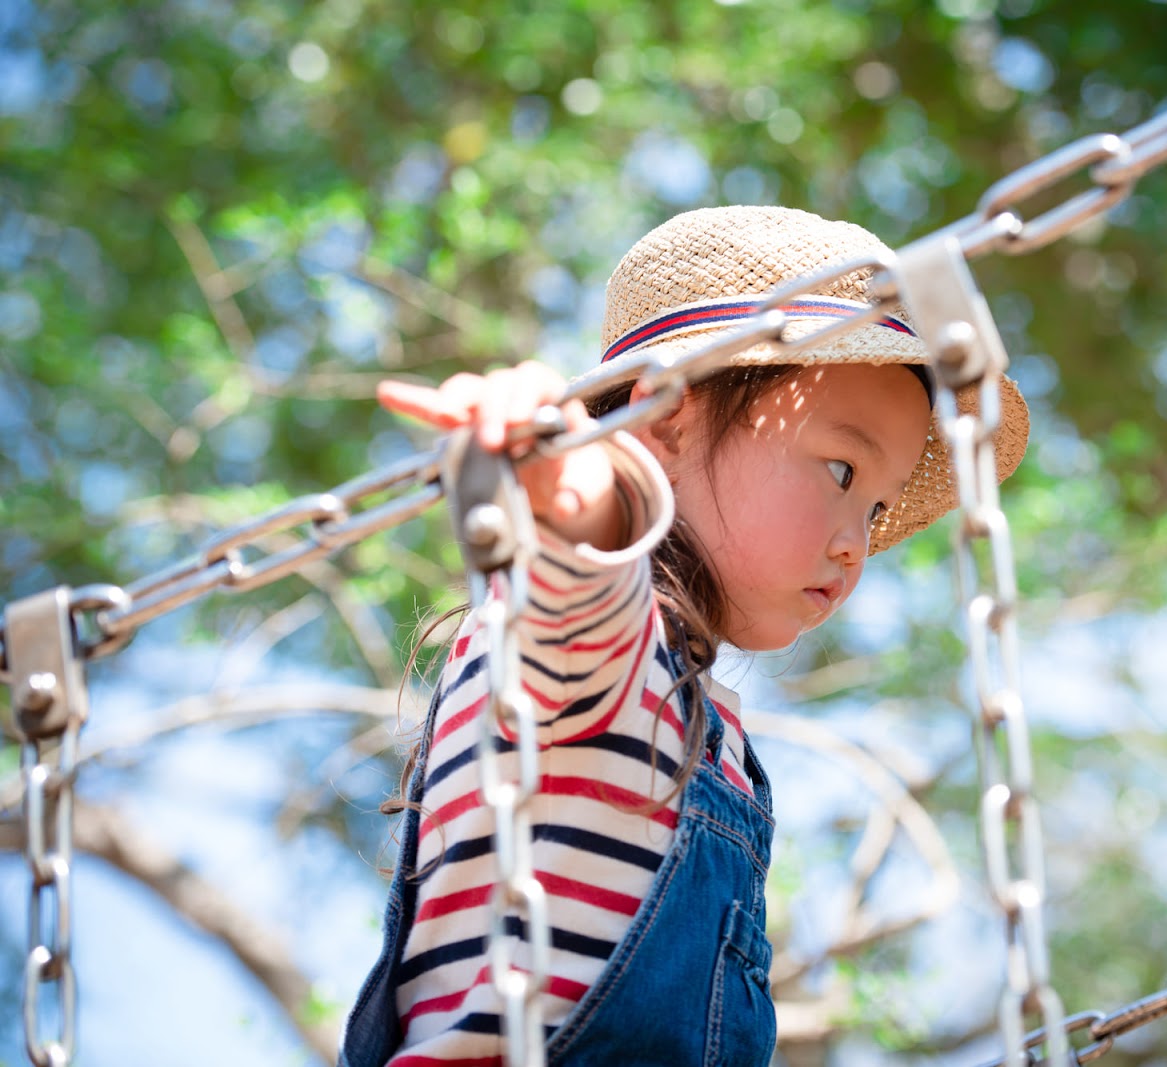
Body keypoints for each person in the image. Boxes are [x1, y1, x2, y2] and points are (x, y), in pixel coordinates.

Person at [339, 205, 1029, 1067]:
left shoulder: (705, 726)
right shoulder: (599, 650)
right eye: (842, 471)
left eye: (877, 504)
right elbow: (581, 586)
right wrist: (573, 487)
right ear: (664, 424)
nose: (858, 540)